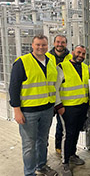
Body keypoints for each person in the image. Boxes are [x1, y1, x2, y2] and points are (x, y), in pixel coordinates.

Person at [9, 34, 58, 176]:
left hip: (47, 109)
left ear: (47, 46)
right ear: (32, 45)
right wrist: (17, 110)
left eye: (43, 45)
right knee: (29, 145)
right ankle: (30, 173)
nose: (41, 47)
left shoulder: (50, 61)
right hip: (28, 112)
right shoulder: (22, 62)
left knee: (43, 141)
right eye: (38, 44)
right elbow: (14, 87)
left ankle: (41, 166)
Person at [55, 45, 89, 176]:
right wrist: (59, 107)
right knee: (68, 134)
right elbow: (55, 89)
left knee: (75, 133)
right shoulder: (62, 67)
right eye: (79, 52)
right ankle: (65, 162)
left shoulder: (85, 68)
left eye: (83, 54)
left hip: (82, 106)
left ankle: (72, 154)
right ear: (73, 52)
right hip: (68, 108)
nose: (81, 55)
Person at [46, 35, 73, 155]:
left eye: (62, 42)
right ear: (54, 43)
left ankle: (59, 146)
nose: (60, 44)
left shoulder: (70, 57)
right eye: (58, 42)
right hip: (48, 97)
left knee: (61, 125)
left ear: (66, 44)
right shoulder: (46, 57)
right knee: (45, 127)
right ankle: (42, 155)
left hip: (64, 97)